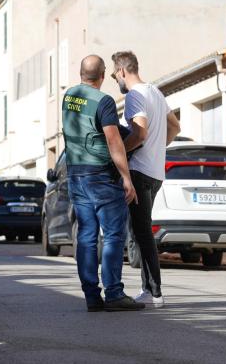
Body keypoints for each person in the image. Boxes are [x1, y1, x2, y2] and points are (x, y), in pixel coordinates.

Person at [62, 55, 144, 312]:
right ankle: (114, 293)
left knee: (86, 236)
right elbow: (113, 140)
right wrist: (126, 177)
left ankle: (91, 296)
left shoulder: (69, 96)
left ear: (81, 73)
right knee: (113, 235)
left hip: (76, 175)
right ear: (102, 74)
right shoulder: (104, 101)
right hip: (101, 176)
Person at [111, 51, 181, 308]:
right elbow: (175, 126)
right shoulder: (156, 92)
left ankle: (155, 291)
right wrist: (158, 148)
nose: (116, 81)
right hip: (155, 172)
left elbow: (139, 133)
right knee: (141, 231)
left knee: (142, 233)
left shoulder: (134, 96)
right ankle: (148, 289)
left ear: (121, 71)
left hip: (139, 171)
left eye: (114, 76)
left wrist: (119, 152)